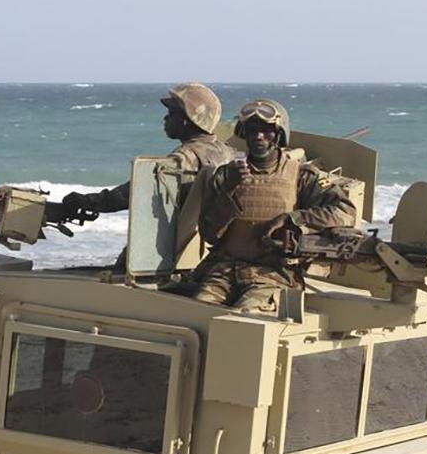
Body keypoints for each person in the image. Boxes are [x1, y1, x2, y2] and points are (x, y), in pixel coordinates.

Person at [192, 99, 357, 312]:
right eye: (252, 130)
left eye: (266, 131)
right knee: (197, 312)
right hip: (224, 270)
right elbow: (210, 233)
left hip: (273, 274)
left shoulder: (301, 176)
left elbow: (346, 212)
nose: (258, 137)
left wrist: (294, 219)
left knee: (247, 319)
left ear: (279, 135)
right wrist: (228, 191)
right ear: (244, 133)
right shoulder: (226, 175)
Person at [61, 82, 236, 215]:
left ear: (187, 119)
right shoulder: (228, 152)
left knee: (123, 263)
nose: (165, 119)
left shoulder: (184, 158)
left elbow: (134, 192)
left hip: (175, 245)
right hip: (205, 242)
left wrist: (86, 201)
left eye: (171, 114)